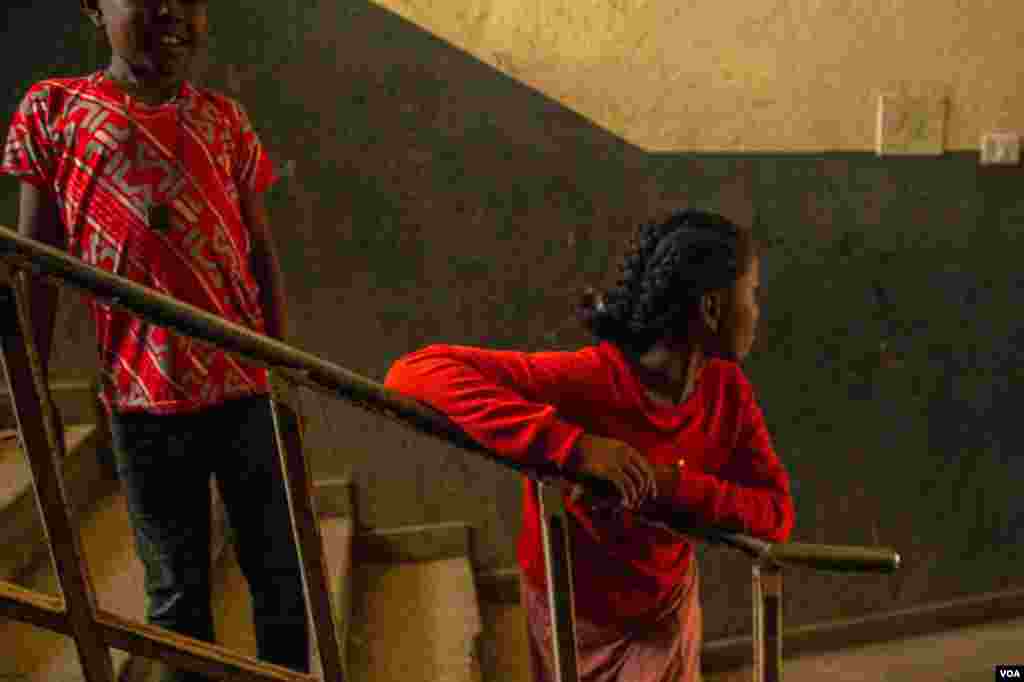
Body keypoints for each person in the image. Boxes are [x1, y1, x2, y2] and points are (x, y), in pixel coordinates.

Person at [1, 1, 309, 680]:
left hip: (246, 390)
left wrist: (284, 372)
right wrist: (30, 390)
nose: (172, 10)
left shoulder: (223, 118)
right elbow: (35, 270)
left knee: (280, 578)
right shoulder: (55, 111)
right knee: (177, 596)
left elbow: (260, 254)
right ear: (92, 5)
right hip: (143, 406)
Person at [385, 209, 795, 682]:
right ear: (711, 308)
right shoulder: (590, 379)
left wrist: (665, 484)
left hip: (667, 608)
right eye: (753, 294)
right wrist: (574, 448)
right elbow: (413, 371)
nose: (758, 311)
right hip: (573, 615)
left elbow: (776, 512)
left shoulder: (727, 390)